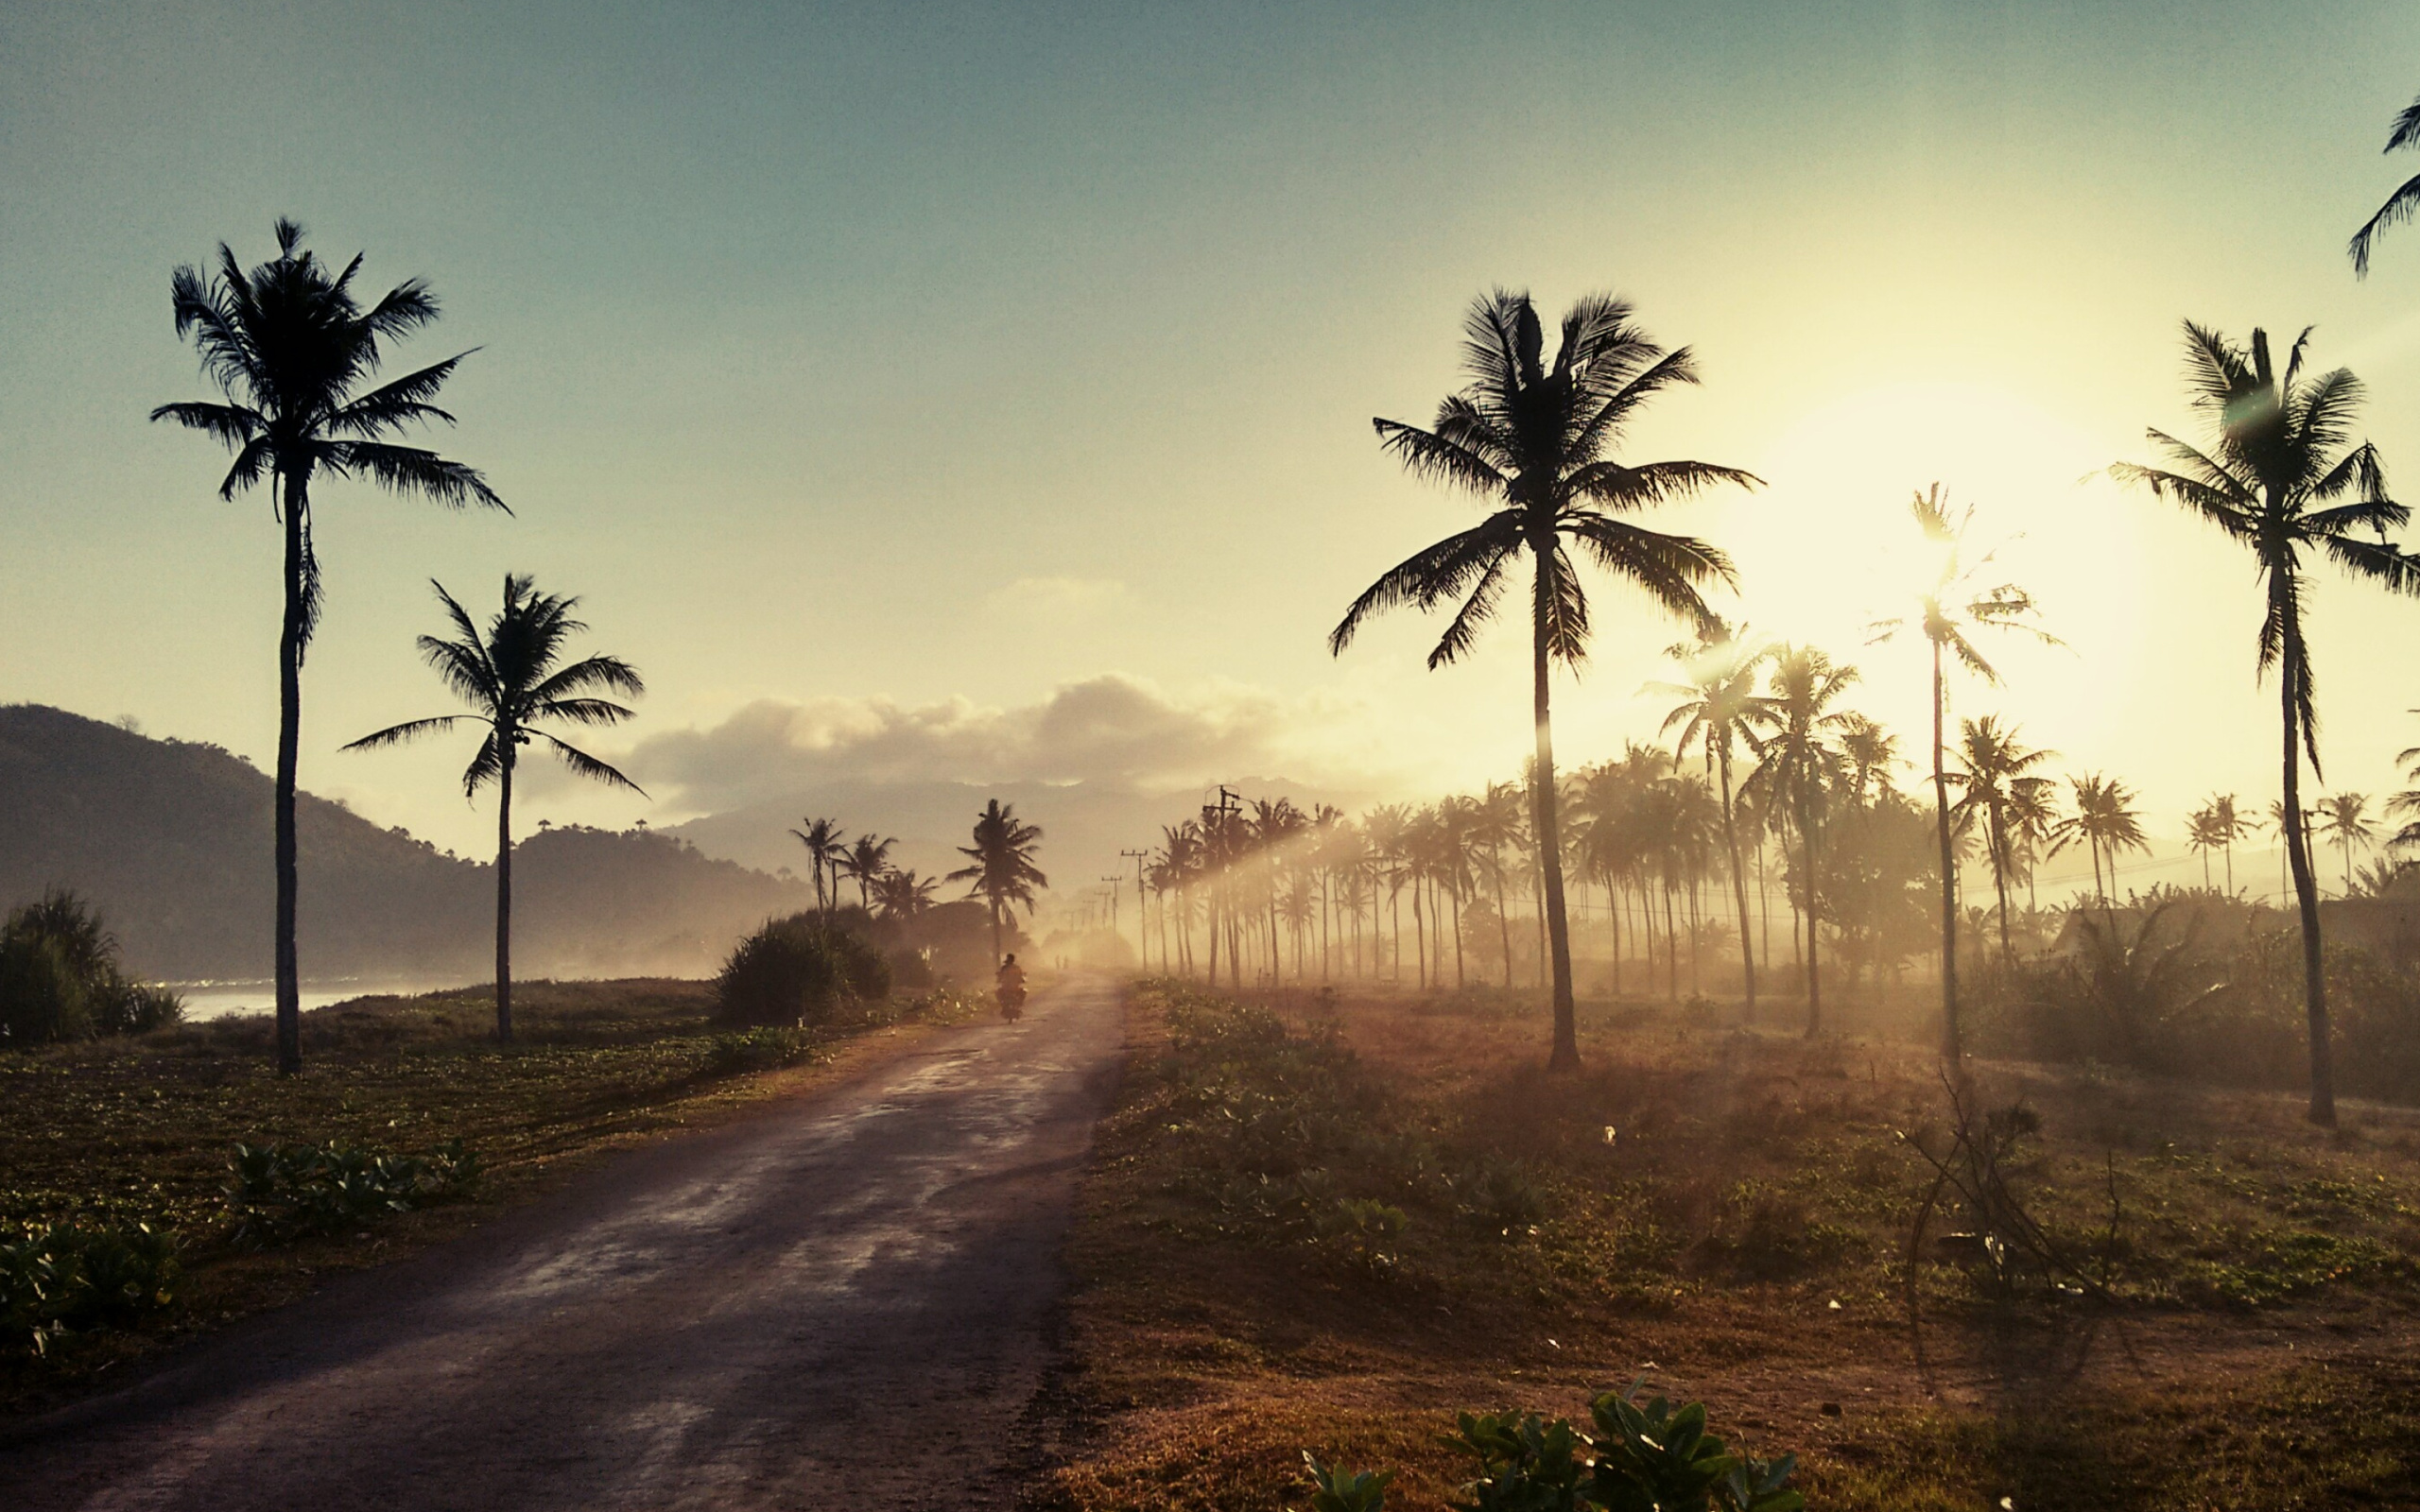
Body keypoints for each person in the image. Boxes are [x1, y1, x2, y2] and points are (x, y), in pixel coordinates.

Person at [996, 954, 1028, 1020]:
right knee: (1024, 992)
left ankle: (1007, 1005)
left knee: (998, 993)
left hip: (1008, 988)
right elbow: (1021, 977)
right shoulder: (1016, 968)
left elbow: (999, 977)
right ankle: (1017, 1004)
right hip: (1012, 988)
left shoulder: (1005, 968)